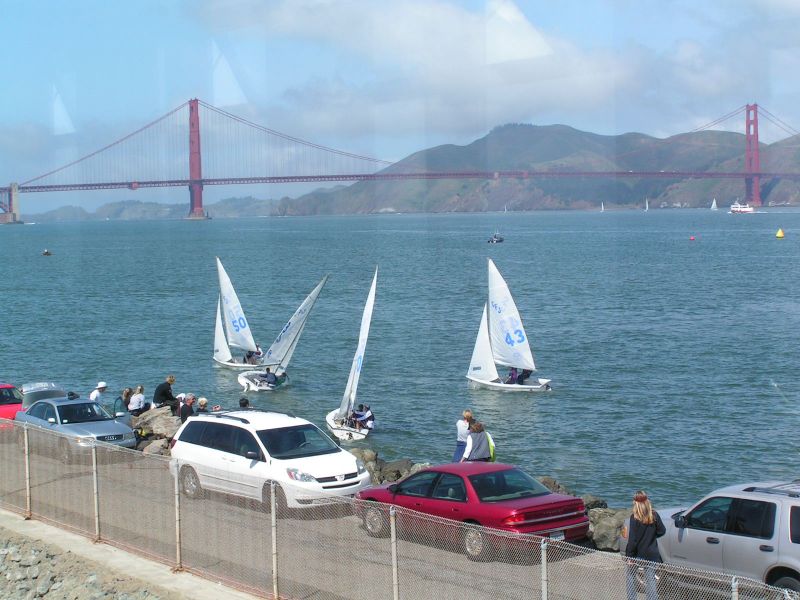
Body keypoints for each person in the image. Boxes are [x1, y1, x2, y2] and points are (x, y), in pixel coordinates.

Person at [623, 490, 666, 600]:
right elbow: (662, 531)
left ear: (636, 503)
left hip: (638, 554)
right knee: (650, 580)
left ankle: (632, 598)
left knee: (630, 577)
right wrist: (652, 536)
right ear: (647, 501)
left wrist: (629, 556)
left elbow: (632, 540)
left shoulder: (634, 517)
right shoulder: (654, 515)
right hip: (652, 553)